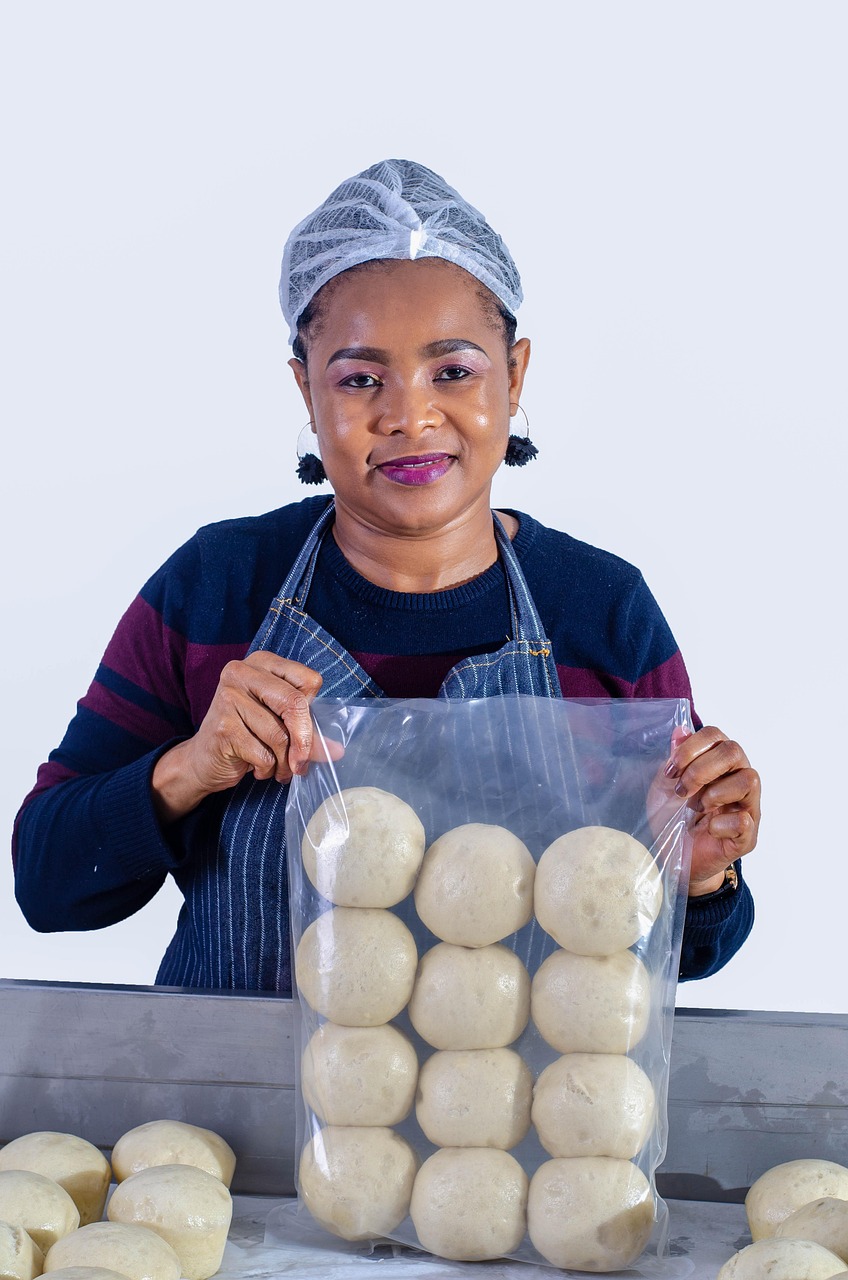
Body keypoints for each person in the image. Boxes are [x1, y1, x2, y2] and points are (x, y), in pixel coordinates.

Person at [12, 159, 759, 991]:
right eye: (361, 378)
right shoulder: (214, 588)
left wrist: (699, 871)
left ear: (513, 378)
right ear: (306, 389)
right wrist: (191, 766)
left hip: (513, 1114)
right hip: (242, 1115)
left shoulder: (602, 612)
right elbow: (47, 886)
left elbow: (673, 960)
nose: (410, 416)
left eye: (454, 371)